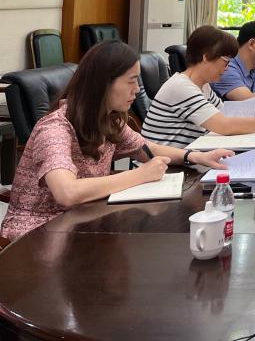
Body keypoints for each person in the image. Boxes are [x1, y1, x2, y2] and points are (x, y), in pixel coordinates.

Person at [0, 41, 233, 240]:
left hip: (83, 221)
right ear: (103, 83)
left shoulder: (108, 120)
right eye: (131, 81)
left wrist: (195, 156)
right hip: (37, 234)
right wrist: (139, 175)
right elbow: (67, 192)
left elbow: (146, 148)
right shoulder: (54, 129)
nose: (137, 89)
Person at [141, 25, 255, 149]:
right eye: (226, 61)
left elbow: (227, 114)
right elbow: (224, 125)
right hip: (164, 168)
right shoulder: (181, 87)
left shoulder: (203, 86)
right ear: (206, 56)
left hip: (186, 160)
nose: (227, 68)